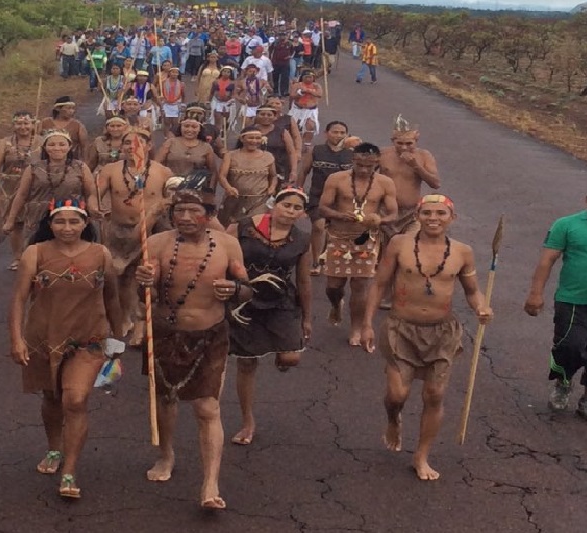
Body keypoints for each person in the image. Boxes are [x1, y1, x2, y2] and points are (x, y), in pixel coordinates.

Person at [135, 186, 252, 509]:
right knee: (166, 400)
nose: (185, 218)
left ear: (209, 215)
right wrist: (143, 281)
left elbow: (248, 289)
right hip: (166, 333)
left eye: (193, 211)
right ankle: (166, 454)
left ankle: (210, 484)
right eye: (179, 212)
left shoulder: (228, 245)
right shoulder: (156, 243)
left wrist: (235, 288)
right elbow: (146, 296)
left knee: (207, 408)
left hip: (210, 335)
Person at [360, 194, 492, 480]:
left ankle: (421, 456)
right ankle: (393, 418)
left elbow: (472, 291)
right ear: (418, 215)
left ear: (452, 218)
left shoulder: (462, 251)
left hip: (442, 332)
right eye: (428, 213)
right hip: (400, 329)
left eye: (440, 214)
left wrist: (481, 306)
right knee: (397, 395)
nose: (434, 219)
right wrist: (367, 323)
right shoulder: (399, 244)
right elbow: (380, 283)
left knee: (435, 395)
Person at [9, 198, 123, 499]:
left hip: (89, 338)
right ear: (50, 223)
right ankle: (54, 448)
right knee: (51, 397)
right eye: (60, 221)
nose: (67, 228)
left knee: (75, 399)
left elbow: (112, 298)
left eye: (74, 221)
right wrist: (16, 339)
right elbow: (19, 299)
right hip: (44, 337)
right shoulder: (35, 253)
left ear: (86, 223)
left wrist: (118, 340)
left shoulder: (101, 254)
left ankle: (70, 471)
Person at [524, 180, 587, 422]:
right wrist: (536, 294)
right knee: (570, 345)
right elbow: (547, 260)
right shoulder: (566, 225)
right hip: (573, 300)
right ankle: (563, 382)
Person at [226, 187, 312, 446]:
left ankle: (280, 354)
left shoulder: (302, 239)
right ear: (274, 204)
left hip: (281, 300)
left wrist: (307, 318)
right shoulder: (241, 227)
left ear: (302, 214)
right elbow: (220, 255)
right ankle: (247, 421)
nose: (291, 211)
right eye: (287, 205)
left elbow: (305, 280)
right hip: (245, 299)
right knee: (247, 363)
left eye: (297, 208)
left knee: (291, 357)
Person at [89, 128, 173, 344]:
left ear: (148, 146)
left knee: (144, 277)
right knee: (121, 278)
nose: (130, 147)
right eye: (126, 143)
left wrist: (162, 208)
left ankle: (140, 324)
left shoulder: (162, 172)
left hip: (151, 232)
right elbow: (95, 194)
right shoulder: (110, 170)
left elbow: (173, 198)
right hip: (118, 231)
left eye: (136, 142)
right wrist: (94, 207)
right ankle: (125, 317)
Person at [319, 143, 397, 346]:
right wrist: (339, 215)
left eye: (369, 166)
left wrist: (379, 220)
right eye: (360, 164)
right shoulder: (336, 179)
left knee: (360, 286)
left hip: (366, 241)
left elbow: (393, 213)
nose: (364, 169)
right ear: (353, 161)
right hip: (338, 237)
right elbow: (323, 207)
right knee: (333, 286)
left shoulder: (385, 183)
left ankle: (356, 329)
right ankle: (336, 303)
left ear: (376, 163)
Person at [379, 115, 441, 308]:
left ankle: (406, 294)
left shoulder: (424, 156)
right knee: (386, 257)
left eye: (409, 143)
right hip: (385, 213)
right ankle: (384, 294)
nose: (405, 147)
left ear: (417, 140)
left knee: (408, 254)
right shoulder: (382, 154)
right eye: (400, 143)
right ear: (392, 141)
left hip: (411, 214)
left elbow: (435, 183)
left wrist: (416, 166)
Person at [3, 130, 96, 247]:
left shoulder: (80, 167)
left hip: (71, 219)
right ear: (45, 147)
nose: (57, 148)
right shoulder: (33, 169)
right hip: (38, 218)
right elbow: (21, 195)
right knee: (38, 254)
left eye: (62, 144)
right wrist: (10, 220)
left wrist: (92, 209)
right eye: (51, 144)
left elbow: (91, 193)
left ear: (70, 146)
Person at [297, 121, 359, 275]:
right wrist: (298, 192)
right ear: (326, 133)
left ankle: (326, 257)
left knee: (333, 230)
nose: (338, 135)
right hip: (318, 196)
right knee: (319, 227)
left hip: (342, 198)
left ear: (347, 135)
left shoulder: (352, 154)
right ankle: (316, 261)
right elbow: (304, 172)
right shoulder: (316, 151)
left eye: (342, 133)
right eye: (335, 132)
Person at [0, 112, 41, 270]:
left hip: (36, 187)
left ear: (33, 124)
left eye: (26, 123)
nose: (23, 127)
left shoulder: (41, 141)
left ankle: (38, 257)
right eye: (19, 123)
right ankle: (18, 257)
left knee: (37, 222)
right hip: (10, 187)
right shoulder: (5, 143)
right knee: (15, 224)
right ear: (13, 126)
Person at [217, 126, 277, 227]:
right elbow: (222, 176)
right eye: (251, 138)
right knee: (230, 228)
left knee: (255, 227)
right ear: (242, 139)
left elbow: (273, 176)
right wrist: (228, 188)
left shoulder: (268, 156)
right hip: (235, 200)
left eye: (257, 138)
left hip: (259, 201)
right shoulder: (230, 155)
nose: (254, 141)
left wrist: (272, 187)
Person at [154, 118, 217, 187]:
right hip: (170, 186)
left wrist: (211, 190)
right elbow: (155, 165)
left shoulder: (206, 147)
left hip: (196, 189)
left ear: (200, 129)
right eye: (186, 126)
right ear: (180, 127)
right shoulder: (170, 143)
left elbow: (213, 172)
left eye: (194, 127)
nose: (190, 130)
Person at [253, 105, 298, 186]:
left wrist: (293, 171)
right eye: (262, 114)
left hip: (280, 170)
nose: (265, 117)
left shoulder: (282, 132)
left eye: (269, 115)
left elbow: (291, 152)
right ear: (256, 116)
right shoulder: (249, 131)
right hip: (255, 170)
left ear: (275, 117)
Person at [37, 96, 90, 161]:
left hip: (70, 161)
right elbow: (36, 141)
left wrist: (84, 162)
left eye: (73, 108)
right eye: (68, 108)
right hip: (46, 160)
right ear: (58, 109)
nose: (71, 111)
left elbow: (84, 147)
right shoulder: (45, 123)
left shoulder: (78, 126)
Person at [288, 69, 323, 150]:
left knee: (310, 126)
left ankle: (307, 144)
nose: (308, 79)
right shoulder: (297, 85)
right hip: (298, 110)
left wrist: (309, 91)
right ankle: (296, 143)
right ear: (302, 77)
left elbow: (319, 94)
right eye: (306, 77)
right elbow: (292, 96)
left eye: (310, 77)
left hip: (310, 111)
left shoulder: (316, 86)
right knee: (295, 126)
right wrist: (300, 93)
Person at [158, 66, 186, 133]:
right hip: (166, 103)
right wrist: (160, 98)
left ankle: (173, 135)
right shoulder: (163, 82)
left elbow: (183, 95)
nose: (174, 74)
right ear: (169, 73)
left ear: (178, 74)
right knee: (166, 121)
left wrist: (183, 104)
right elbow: (159, 92)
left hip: (176, 104)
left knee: (175, 122)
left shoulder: (182, 84)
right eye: (172, 72)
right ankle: (166, 137)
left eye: (176, 72)